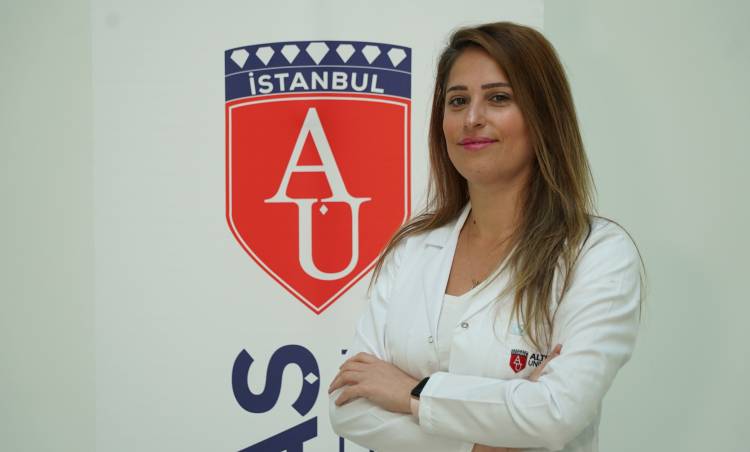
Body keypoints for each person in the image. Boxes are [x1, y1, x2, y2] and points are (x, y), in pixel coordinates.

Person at [328, 21, 643, 452]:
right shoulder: (411, 250)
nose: (472, 118)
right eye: (458, 101)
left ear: (544, 116)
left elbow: (555, 413)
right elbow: (348, 405)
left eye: (498, 98)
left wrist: (411, 393)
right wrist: (487, 442)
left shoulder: (596, 254)